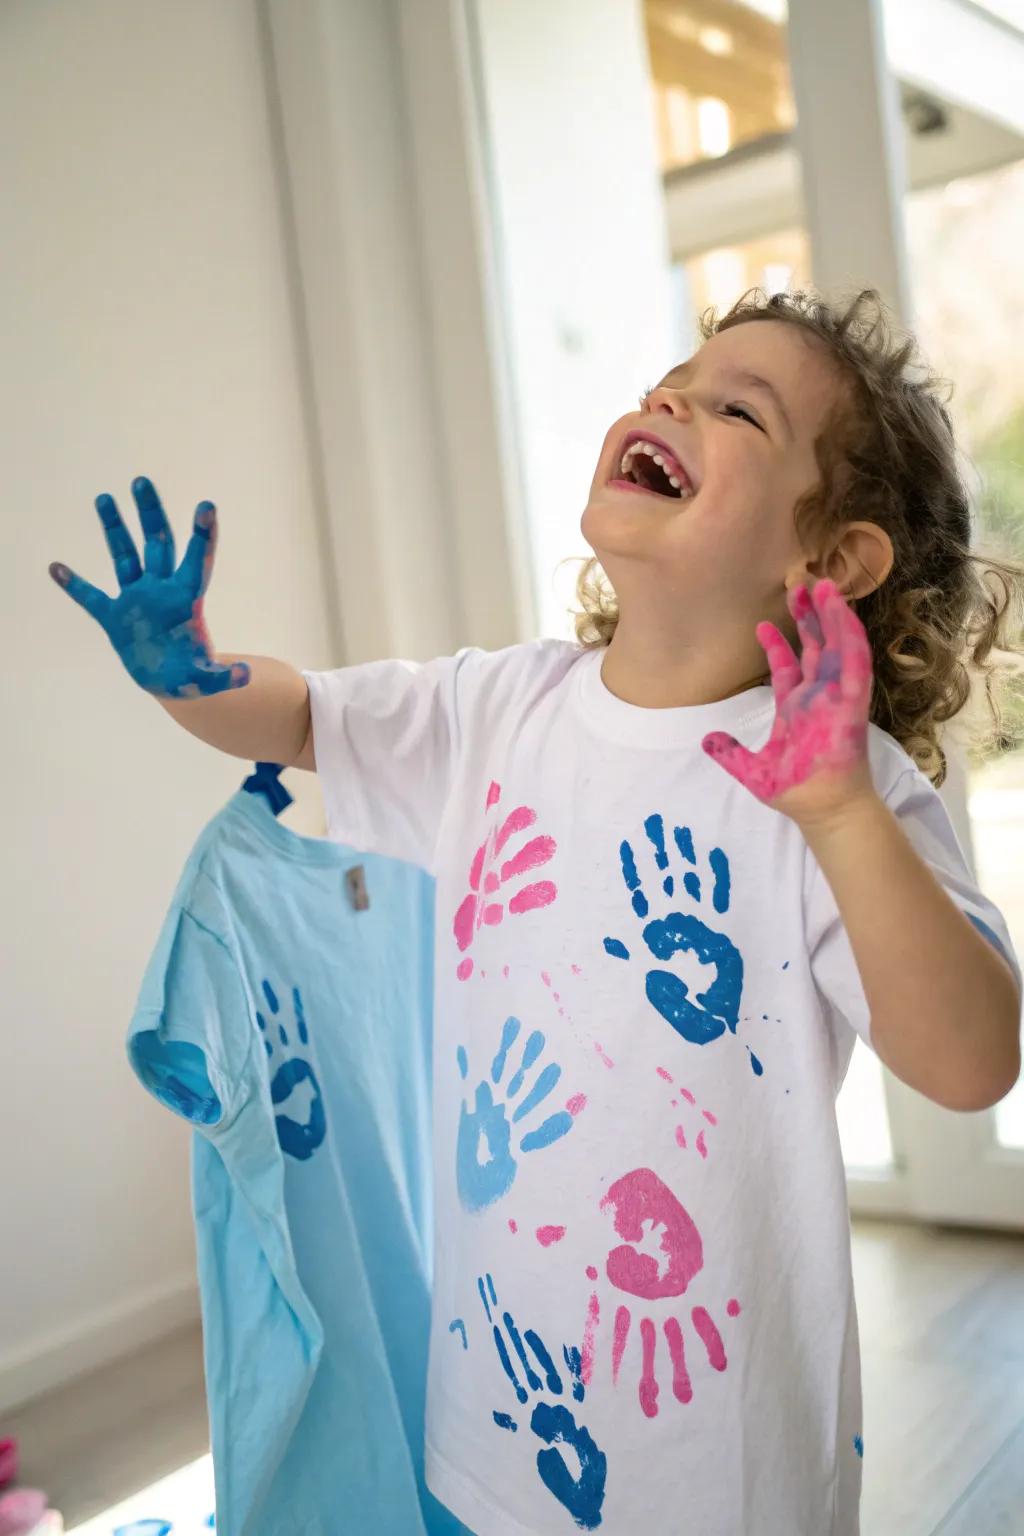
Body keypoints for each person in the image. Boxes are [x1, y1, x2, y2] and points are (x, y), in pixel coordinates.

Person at [50, 287, 1024, 1535]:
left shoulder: (842, 779)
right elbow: (304, 719)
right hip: (496, 1398)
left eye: (737, 408)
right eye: (674, 375)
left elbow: (970, 1064)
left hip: (714, 1456)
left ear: (829, 561)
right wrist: (190, 675)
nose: (671, 397)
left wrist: (836, 814)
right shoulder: (499, 709)